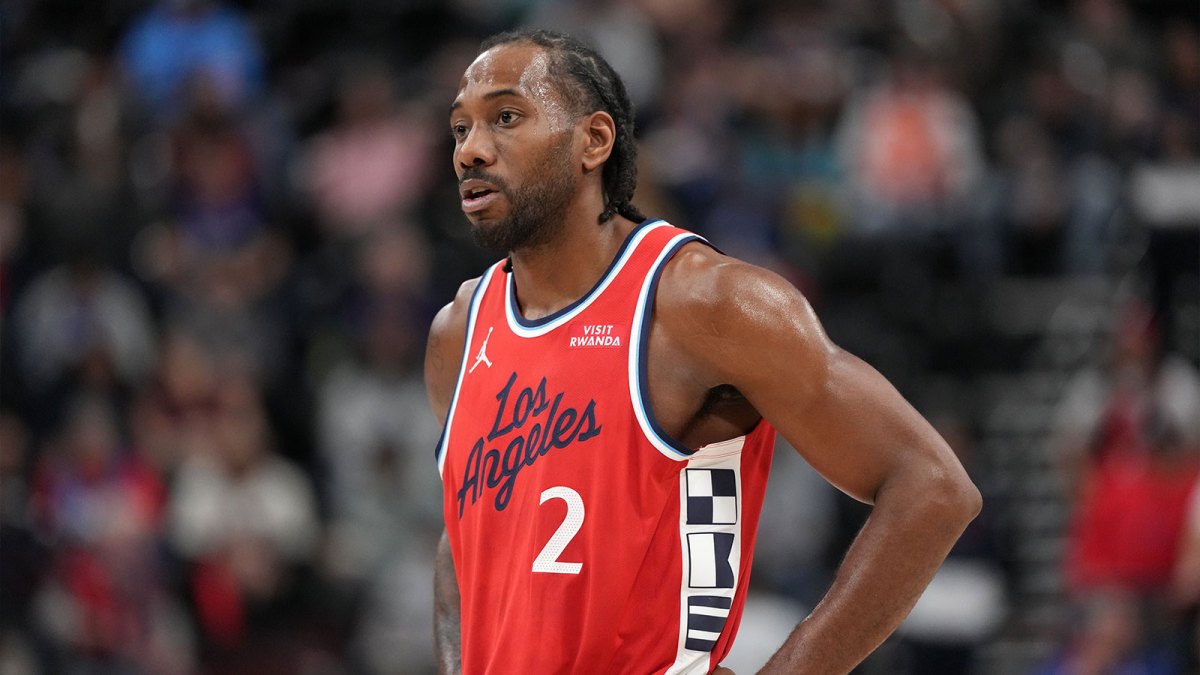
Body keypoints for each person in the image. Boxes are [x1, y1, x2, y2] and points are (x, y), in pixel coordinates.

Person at [424, 29, 980, 674]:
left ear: (594, 142)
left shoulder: (702, 303)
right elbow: (464, 539)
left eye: (506, 117)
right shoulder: (459, 332)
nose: (472, 151)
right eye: (460, 129)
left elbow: (932, 488)